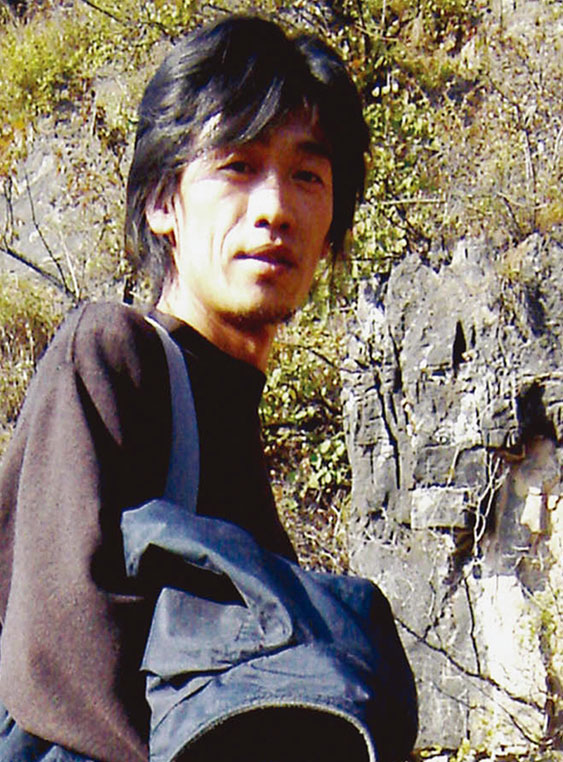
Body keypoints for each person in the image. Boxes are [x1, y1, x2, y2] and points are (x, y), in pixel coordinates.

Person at [0, 15, 416, 762]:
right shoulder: (113, 356)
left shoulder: (237, 440)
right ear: (163, 202)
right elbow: (60, 668)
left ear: (333, 229)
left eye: (308, 176)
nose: (274, 208)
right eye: (237, 166)